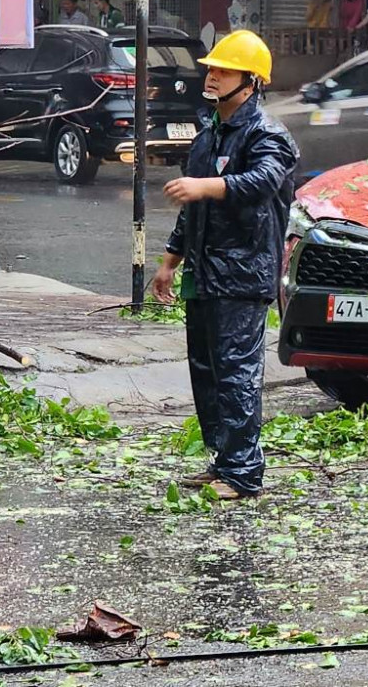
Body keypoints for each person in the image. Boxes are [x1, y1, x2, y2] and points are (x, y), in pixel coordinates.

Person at [150, 30, 299, 501]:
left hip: (244, 273)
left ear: (249, 81)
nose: (211, 77)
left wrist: (208, 186)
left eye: (222, 70)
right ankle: (222, 460)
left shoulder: (268, 136)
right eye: (210, 69)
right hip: (205, 274)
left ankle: (243, 473)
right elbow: (190, 208)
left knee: (237, 372)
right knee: (207, 371)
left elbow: (262, 181)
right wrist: (169, 262)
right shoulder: (209, 132)